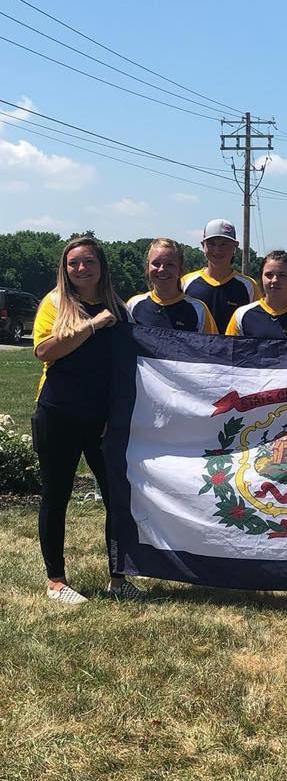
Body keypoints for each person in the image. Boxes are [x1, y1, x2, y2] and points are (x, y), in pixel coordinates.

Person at [32, 237, 143, 604]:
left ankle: (118, 577)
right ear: (64, 268)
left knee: (116, 497)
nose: (80, 269)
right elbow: (44, 351)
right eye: (73, 263)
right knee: (56, 494)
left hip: (102, 419)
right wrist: (91, 325)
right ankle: (56, 581)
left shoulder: (119, 308)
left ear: (101, 266)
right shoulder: (55, 302)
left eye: (88, 262)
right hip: (57, 413)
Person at [181, 219, 260, 333]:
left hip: (234, 350)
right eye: (211, 244)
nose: (217, 250)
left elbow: (257, 323)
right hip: (196, 349)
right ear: (203, 245)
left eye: (224, 244)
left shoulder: (249, 286)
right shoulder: (186, 282)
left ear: (235, 246)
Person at [226, 250, 287, 338]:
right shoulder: (241, 315)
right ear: (261, 278)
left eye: (282, 275)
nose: (275, 280)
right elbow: (229, 353)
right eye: (269, 275)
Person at [127, 238, 216, 332]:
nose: (161, 269)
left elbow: (212, 345)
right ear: (147, 267)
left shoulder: (199, 310)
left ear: (180, 269)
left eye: (170, 264)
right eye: (156, 264)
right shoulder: (133, 306)